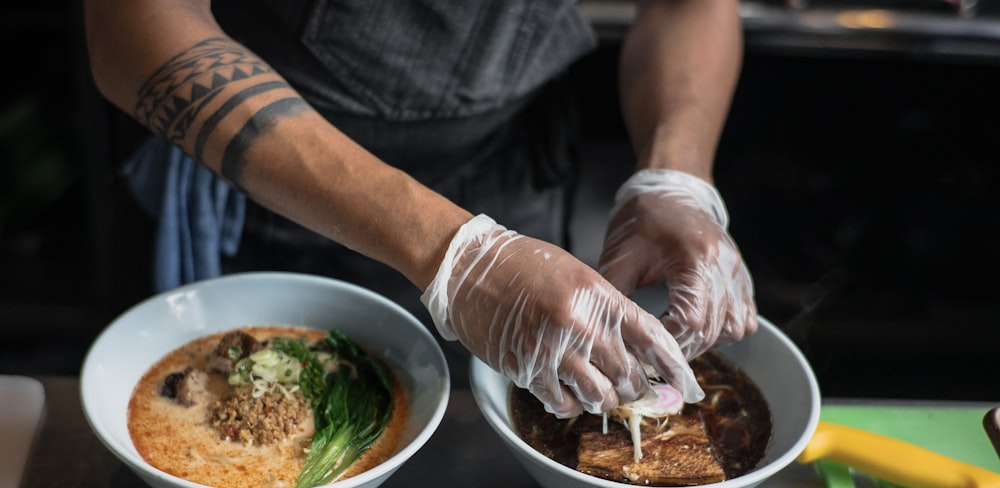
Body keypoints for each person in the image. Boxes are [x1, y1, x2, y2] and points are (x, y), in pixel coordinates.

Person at [82, 0, 756, 419]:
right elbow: (132, 27)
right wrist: (455, 252)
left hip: (507, 173)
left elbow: (686, 7)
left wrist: (677, 172)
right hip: (275, 178)